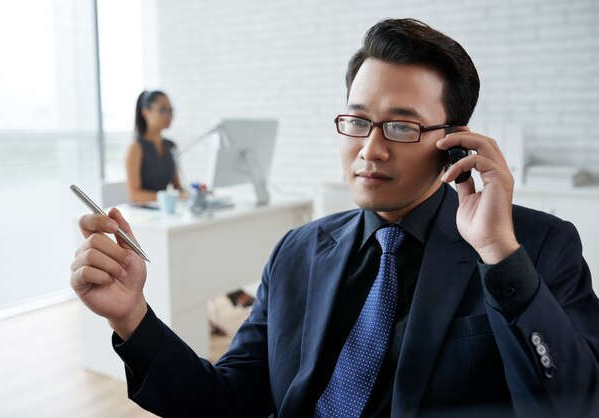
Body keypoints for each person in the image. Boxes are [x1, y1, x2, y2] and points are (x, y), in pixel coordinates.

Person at [70, 18, 599, 417]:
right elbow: (226, 400)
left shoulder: (535, 244)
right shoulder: (296, 251)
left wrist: (497, 255)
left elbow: (577, 402)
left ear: (453, 143)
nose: (369, 151)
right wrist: (131, 317)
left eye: (400, 127)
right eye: (357, 121)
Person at [126, 90, 186, 202]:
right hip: (143, 214)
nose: (169, 115)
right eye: (163, 110)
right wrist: (172, 197)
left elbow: (177, 186)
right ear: (146, 112)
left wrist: (194, 194)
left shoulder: (170, 146)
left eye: (171, 110)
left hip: (164, 210)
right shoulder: (135, 147)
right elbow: (134, 195)